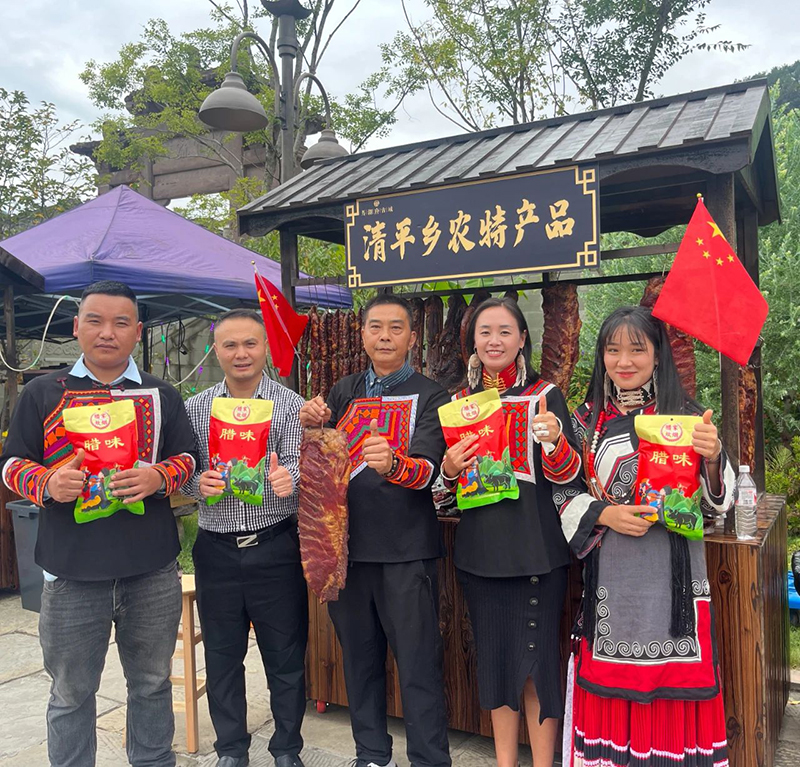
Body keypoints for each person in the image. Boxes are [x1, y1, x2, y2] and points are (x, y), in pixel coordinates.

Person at [0, 280, 197, 767]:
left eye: (120, 322)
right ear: (76, 327)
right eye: (95, 320)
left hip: (150, 570)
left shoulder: (160, 394)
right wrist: (47, 482)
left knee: (151, 684)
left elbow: (188, 458)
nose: (107, 332)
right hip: (70, 572)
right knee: (70, 693)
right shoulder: (44, 393)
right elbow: (11, 464)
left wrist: (158, 476)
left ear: (138, 332)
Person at [556, 306, 734, 767]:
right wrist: (606, 514)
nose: (624, 361)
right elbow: (562, 494)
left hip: (675, 587)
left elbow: (719, 504)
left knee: (675, 691)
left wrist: (712, 457)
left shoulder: (688, 418)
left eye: (637, 349)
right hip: (612, 585)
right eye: (612, 350)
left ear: (657, 355)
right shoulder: (584, 422)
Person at [299, 294, 451, 767]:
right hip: (346, 551)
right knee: (359, 661)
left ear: (412, 337)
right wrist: (308, 425)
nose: (385, 336)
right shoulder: (342, 391)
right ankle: (370, 754)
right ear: (362, 334)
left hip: (406, 552)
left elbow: (430, 471)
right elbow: (319, 465)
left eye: (396, 328)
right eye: (376, 327)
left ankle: (429, 759)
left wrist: (395, 464)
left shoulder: (432, 395)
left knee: (418, 664)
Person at [437, 297, 579, 767]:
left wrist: (555, 442)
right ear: (472, 341)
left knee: (538, 670)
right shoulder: (457, 403)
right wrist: (450, 468)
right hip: (481, 556)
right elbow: (443, 492)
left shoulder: (546, 395)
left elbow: (571, 478)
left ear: (522, 339)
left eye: (504, 331)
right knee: (496, 668)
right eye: (485, 332)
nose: (494, 341)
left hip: (537, 554)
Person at [181, 308, 308, 767]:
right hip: (216, 550)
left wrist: (290, 477)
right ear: (215, 350)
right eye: (230, 345)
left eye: (250, 344)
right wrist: (196, 484)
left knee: (286, 657)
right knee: (221, 657)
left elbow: (302, 464)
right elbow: (182, 471)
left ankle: (287, 749)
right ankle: (231, 749)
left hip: (275, 546)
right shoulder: (195, 408)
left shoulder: (290, 405)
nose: (241, 354)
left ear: (265, 349)